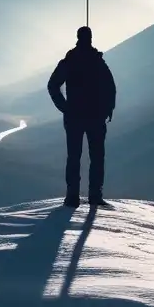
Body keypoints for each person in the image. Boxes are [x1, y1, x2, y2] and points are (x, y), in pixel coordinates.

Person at [47, 26, 117, 207]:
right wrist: (108, 108)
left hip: (76, 118)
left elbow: (53, 85)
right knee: (96, 157)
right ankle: (94, 195)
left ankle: (73, 197)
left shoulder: (71, 60)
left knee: (75, 156)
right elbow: (111, 86)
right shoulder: (97, 61)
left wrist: (65, 108)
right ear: (89, 38)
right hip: (94, 117)